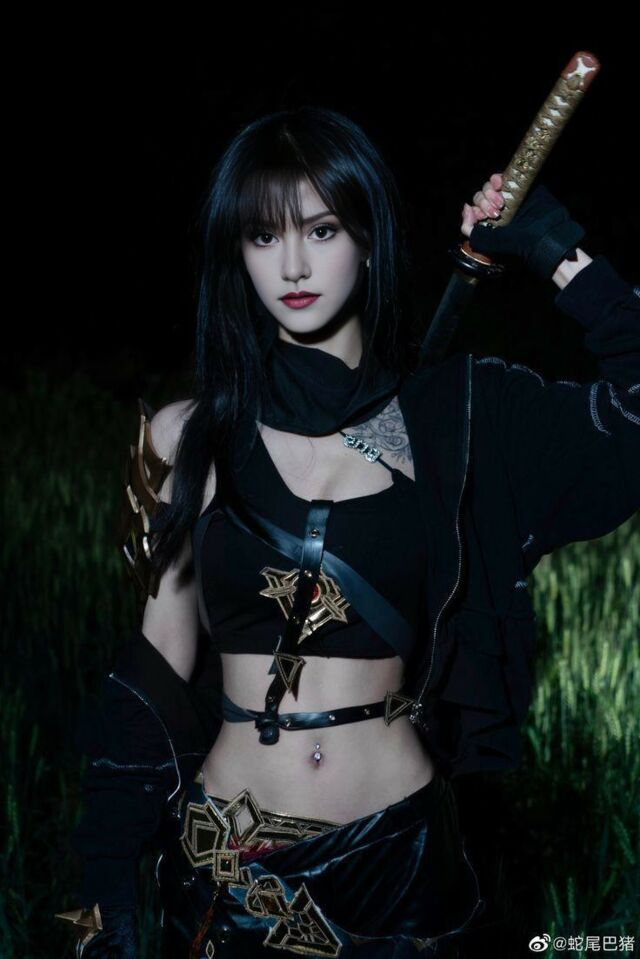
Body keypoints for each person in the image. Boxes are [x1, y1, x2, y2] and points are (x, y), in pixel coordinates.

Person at [54, 106, 639, 958]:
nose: (292, 265)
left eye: (321, 229)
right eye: (263, 236)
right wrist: (105, 893)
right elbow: (153, 673)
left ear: (368, 239)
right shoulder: (187, 436)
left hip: (403, 863)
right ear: (236, 253)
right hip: (234, 866)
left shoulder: (459, 419)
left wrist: (554, 248)